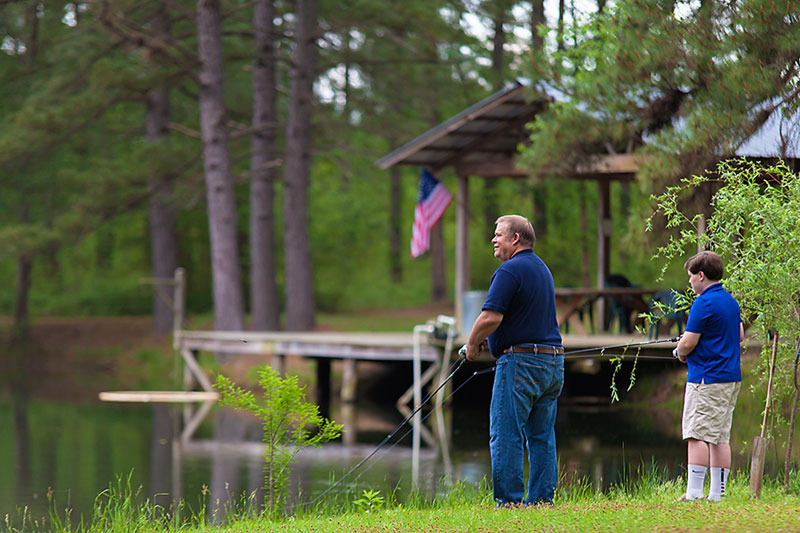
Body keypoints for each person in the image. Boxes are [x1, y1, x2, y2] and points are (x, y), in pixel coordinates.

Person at [464, 214, 563, 506]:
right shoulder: (542, 269)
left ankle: (508, 503)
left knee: (506, 434)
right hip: (553, 362)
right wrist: (492, 337)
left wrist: (472, 344)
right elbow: (521, 316)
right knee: (542, 436)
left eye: (498, 234)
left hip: (521, 364)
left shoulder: (509, 270)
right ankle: (543, 501)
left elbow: (490, 316)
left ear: (515, 239)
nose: (494, 239)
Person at [674, 251, 744, 502]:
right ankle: (717, 493)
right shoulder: (730, 301)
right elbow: (740, 336)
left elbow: (688, 343)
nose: (690, 282)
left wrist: (680, 352)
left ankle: (693, 493)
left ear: (701, 275)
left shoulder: (702, 303)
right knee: (720, 436)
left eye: (691, 277)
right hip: (730, 378)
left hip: (705, 379)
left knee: (697, 434)